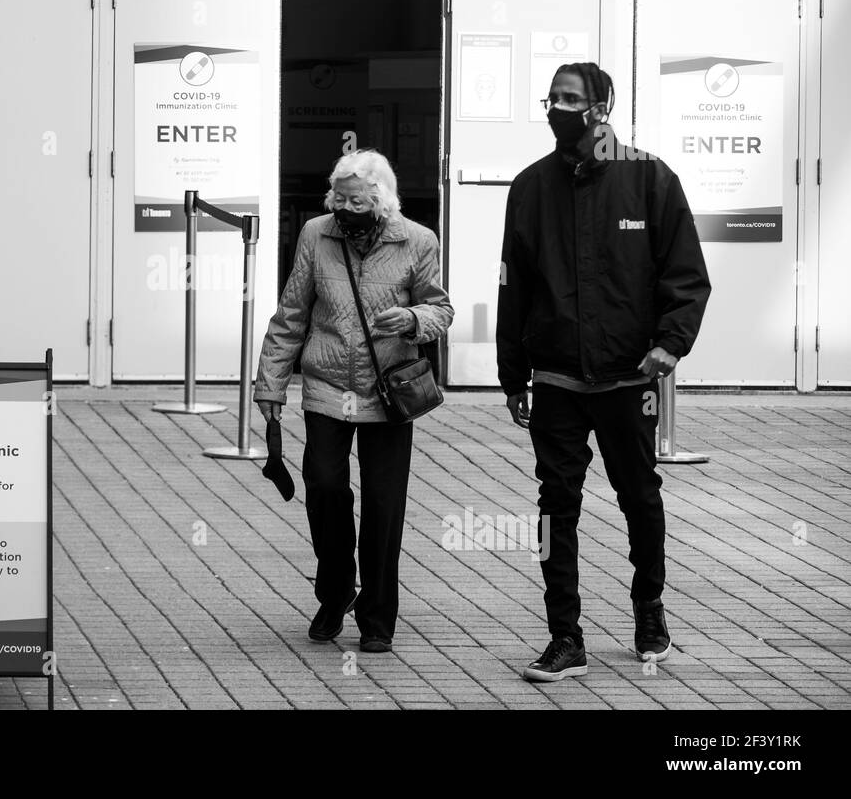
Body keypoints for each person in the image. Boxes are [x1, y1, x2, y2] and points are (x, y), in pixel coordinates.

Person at [497, 62, 711, 682]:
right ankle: (565, 636)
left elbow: (686, 275)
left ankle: (649, 608)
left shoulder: (650, 178)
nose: (557, 108)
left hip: (628, 379)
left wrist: (671, 344)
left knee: (639, 495)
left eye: (570, 98)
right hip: (558, 379)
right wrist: (513, 374)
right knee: (555, 506)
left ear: (601, 108)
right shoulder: (530, 187)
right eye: (551, 98)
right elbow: (513, 286)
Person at [254, 149, 453, 653]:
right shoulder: (315, 234)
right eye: (339, 199)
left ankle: (378, 614)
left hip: (389, 390)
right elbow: (292, 313)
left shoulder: (418, 240)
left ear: (381, 201)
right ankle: (336, 589)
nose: (344, 209)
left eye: (356, 201)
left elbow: (440, 308)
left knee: (384, 504)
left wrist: (412, 319)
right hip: (327, 386)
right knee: (324, 488)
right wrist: (271, 383)